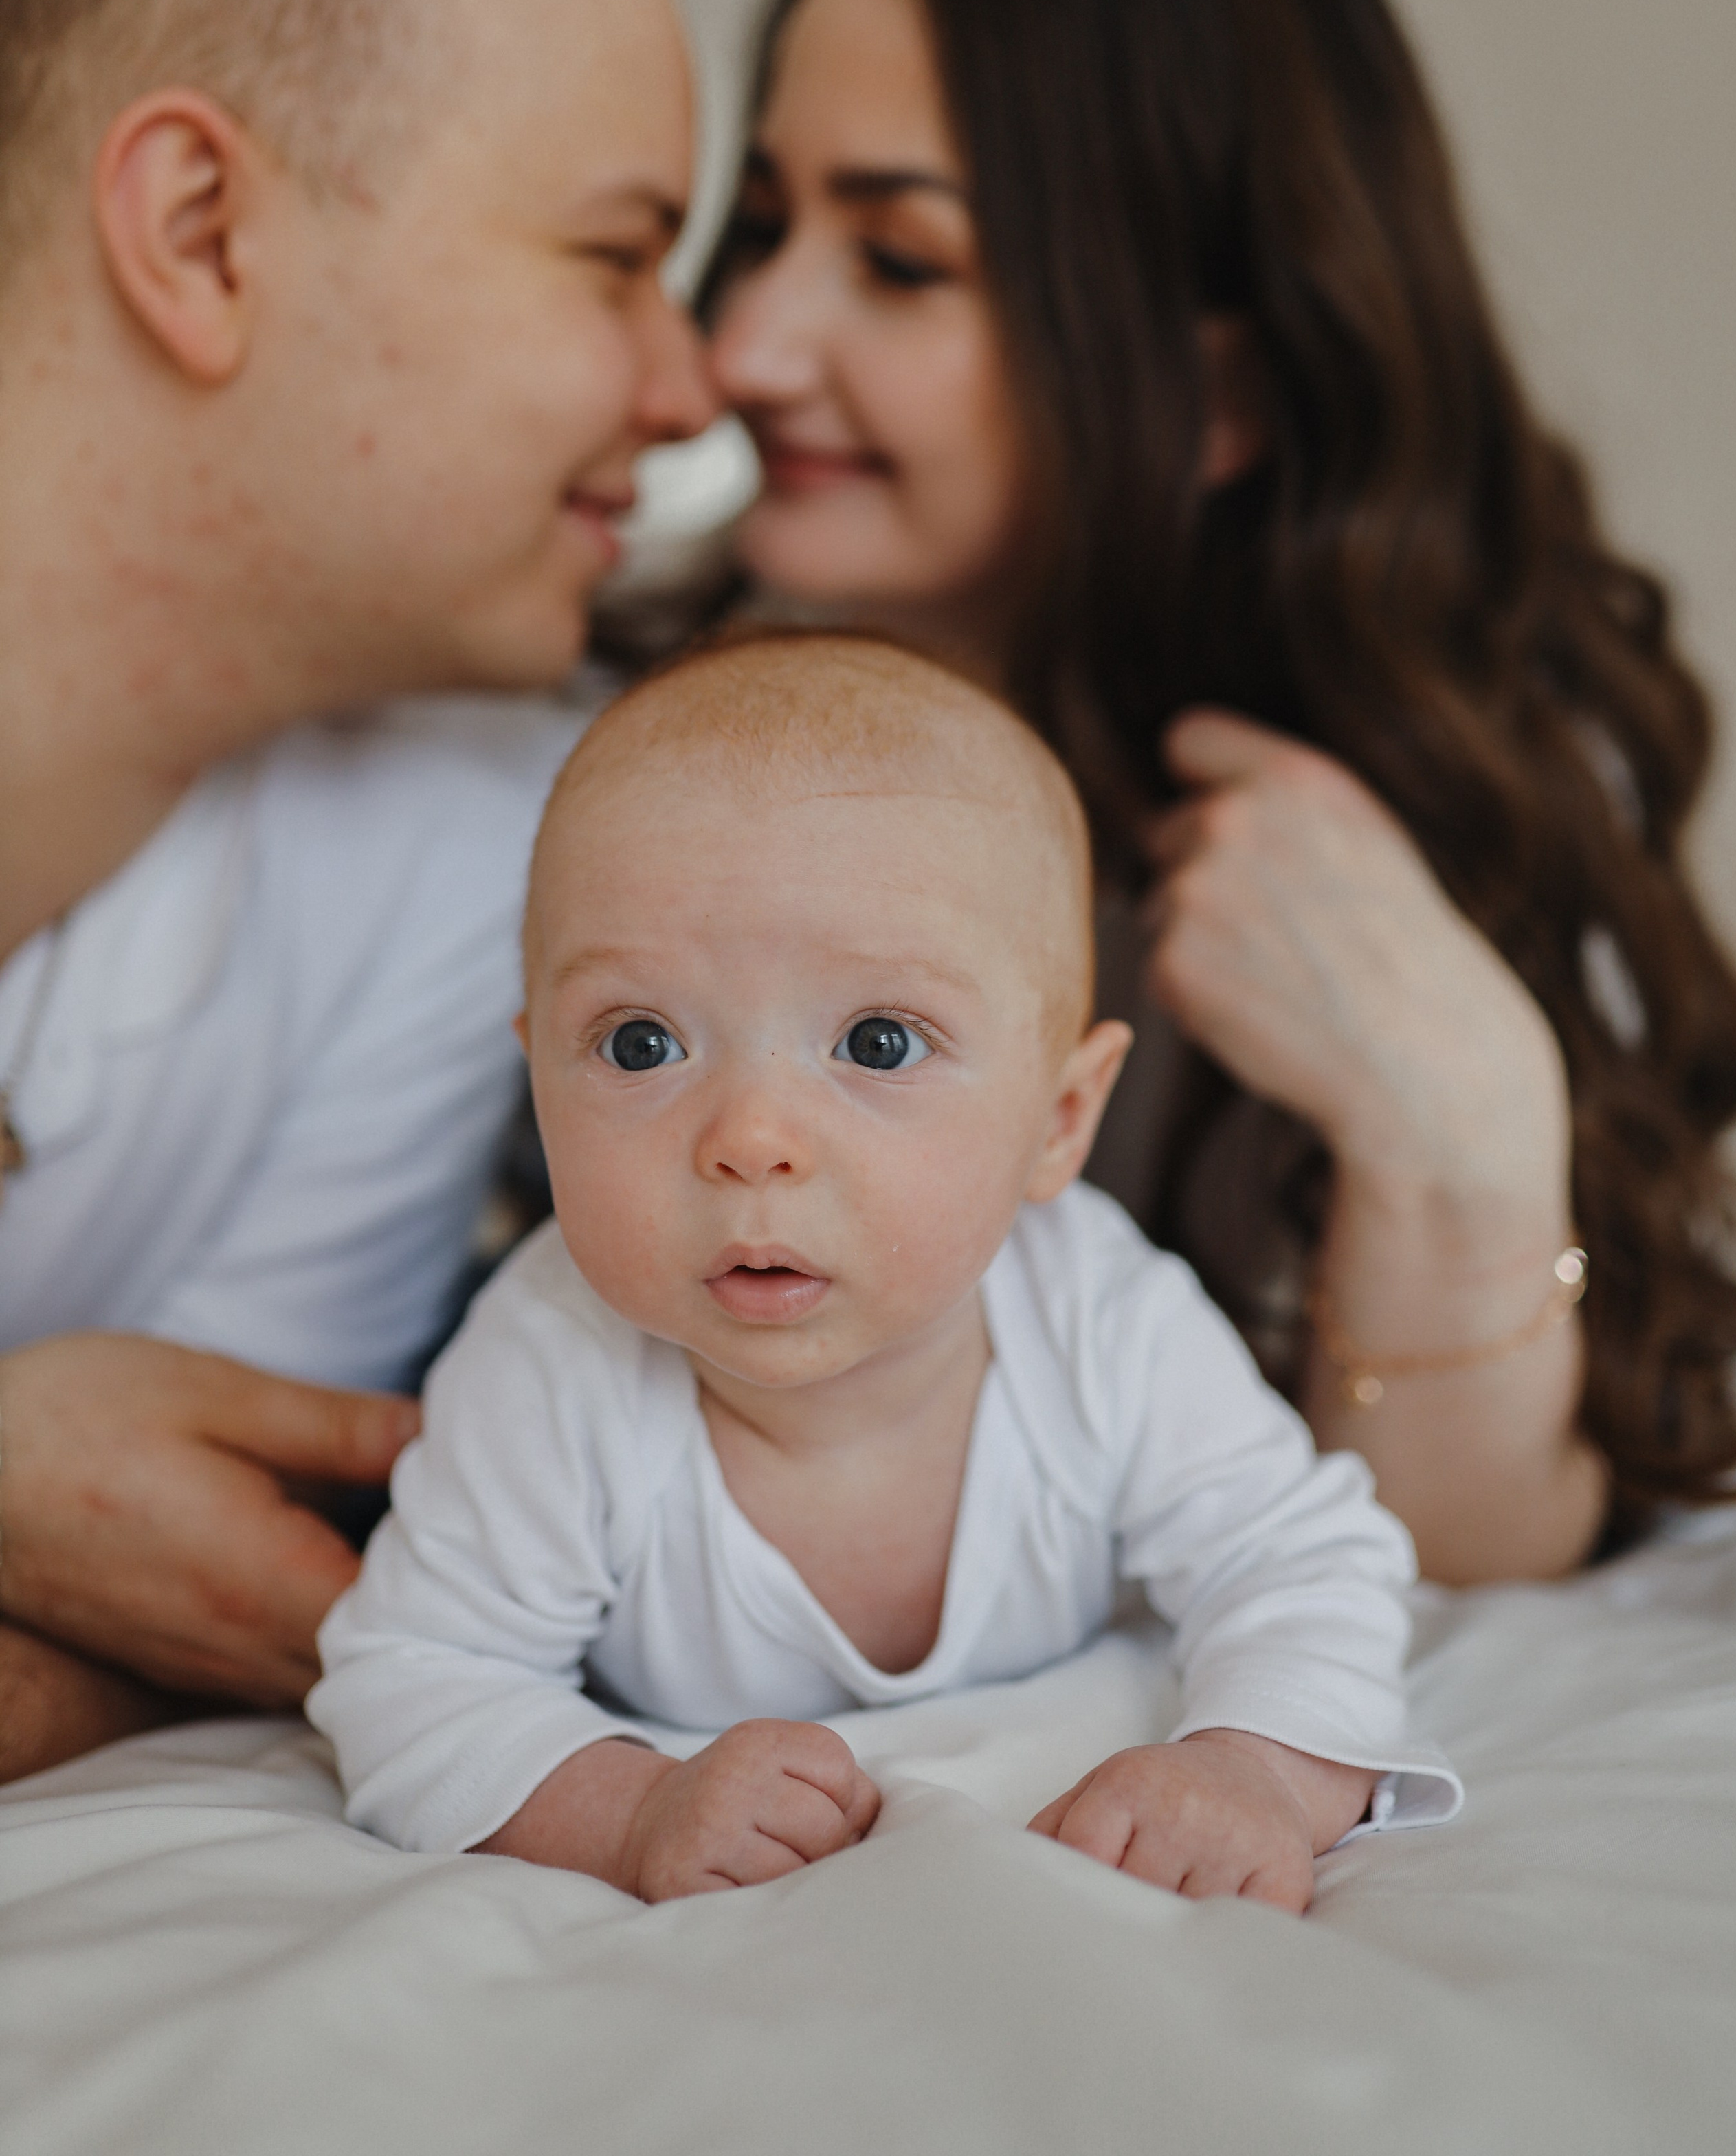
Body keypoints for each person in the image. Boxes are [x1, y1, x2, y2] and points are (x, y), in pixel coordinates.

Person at [697, 0, 1736, 1590]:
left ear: (1218, 394)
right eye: (757, 230)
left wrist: (1463, 1124)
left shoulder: (1395, 813)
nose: (743, 344)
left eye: (894, 260)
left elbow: (1461, 1568)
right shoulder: (618, 726)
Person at [0, 0, 716, 1780]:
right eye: (614, 258)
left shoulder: (471, 827)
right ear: (204, 235)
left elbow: (192, 1613)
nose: (689, 392)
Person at [311, 634, 1458, 1907]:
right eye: (640, 1044)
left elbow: (1299, 1563)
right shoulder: (555, 1362)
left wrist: (1259, 1773)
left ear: (1059, 1119)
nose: (749, 1140)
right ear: (536, 1081)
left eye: (877, 1040)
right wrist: (632, 1813)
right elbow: (414, 1677)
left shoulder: (1097, 1316)